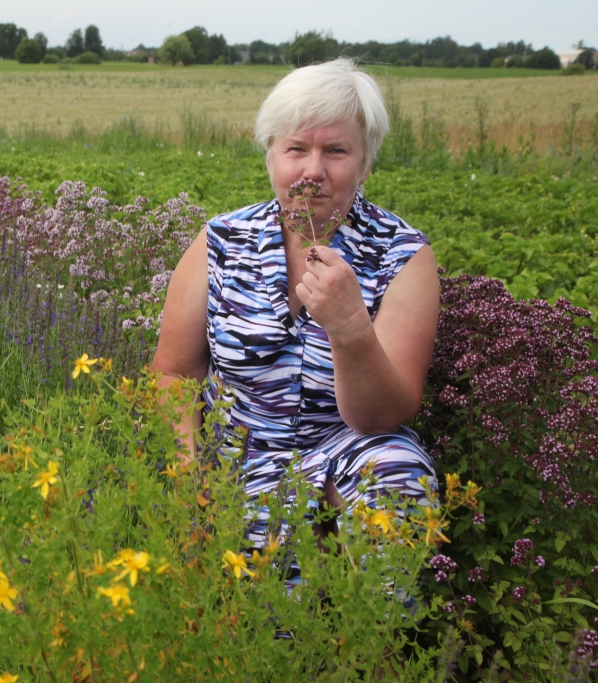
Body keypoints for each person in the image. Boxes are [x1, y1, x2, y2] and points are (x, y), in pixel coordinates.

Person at [151, 58, 440, 564]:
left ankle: (371, 636)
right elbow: (174, 372)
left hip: (344, 447)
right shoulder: (220, 242)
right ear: (271, 157)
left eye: (335, 150)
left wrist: (350, 326)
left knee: (398, 474)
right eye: (296, 149)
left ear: (365, 162)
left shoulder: (403, 255)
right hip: (235, 453)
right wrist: (187, 480)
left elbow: (385, 414)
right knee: (251, 612)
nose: (313, 171)